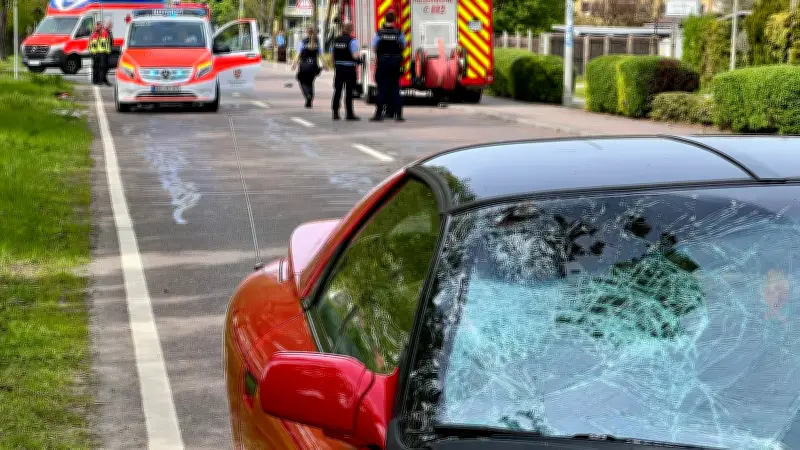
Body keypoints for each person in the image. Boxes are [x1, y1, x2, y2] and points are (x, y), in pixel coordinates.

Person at [370, 10, 405, 122]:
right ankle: (398, 115)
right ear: (394, 20)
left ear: (385, 19)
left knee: (382, 89)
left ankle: (378, 114)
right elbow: (403, 46)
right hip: (395, 63)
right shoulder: (399, 33)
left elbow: (374, 47)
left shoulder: (379, 33)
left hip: (383, 62)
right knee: (395, 89)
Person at [329, 22, 361, 121]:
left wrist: (335, 65)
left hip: (339, 69)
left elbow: (332, 55)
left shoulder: (335, 40)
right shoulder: (352, 41)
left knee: (337, 91)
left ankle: (335, 113)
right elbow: (355, 56)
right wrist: (360, 61)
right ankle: (349, 114)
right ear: (351, 30)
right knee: (349, 92)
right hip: (349, 69)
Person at [291, 27, 325, 108]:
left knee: (302, 82)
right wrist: (325, 65)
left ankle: (308, 96)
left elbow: (298, 54)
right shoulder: (317, 42)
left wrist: (294, 64)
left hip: (304, 66)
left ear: (306, 33)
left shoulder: (302, 42)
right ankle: (310, 97)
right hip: (314, 66)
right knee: (310, 83)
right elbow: (321, 55)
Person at [100, 20, 113, 85]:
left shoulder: (107, 31)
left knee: (105, 67)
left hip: (106, 52)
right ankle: (103, 80)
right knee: (104, 66)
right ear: (108, 25)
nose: (112, 26)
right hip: (104, 52)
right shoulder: (105, 32)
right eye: (111, 24)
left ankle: (104, 80)